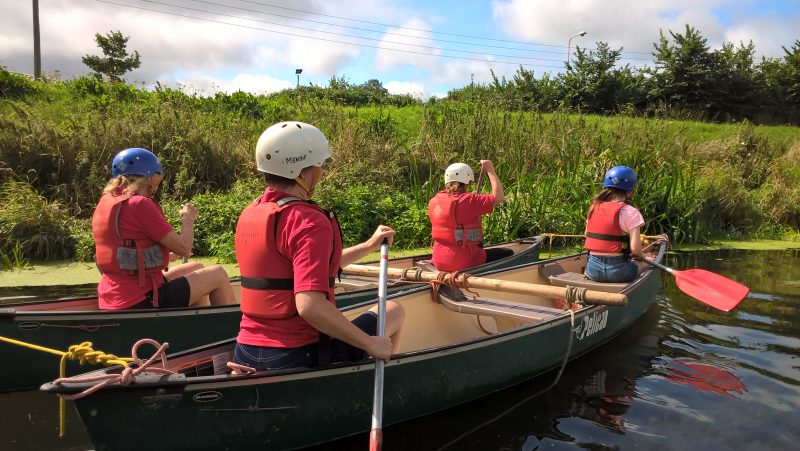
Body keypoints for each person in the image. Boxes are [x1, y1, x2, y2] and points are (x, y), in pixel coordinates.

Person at [232, 121, 404, 371]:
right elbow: (310, 305)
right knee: (394, 309)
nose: (321, 173)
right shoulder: (307, 220)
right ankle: (383, 380)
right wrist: (370, 343)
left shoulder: (252, 213)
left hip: (245, 352)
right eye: (318, 166)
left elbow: (307, 269)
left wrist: (369, 245)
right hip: (299, 355)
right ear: (302, 173)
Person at [91, 147, 235, 310]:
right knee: (218, 274)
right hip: (140, 298)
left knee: (196, 268)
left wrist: (163, 254)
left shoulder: (106, 203)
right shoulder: (139, 204)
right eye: (155, 181)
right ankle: (230, 333)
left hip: (114, 295)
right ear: (146, 178)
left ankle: (194, 328)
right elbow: (184, 248)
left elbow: (124, 248)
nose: (155, 188)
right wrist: (187, 218)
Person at [428, 160, 510, 272]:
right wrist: (490, 170)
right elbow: (498, 196)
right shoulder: (468, 200)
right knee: (507, 253)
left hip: (439, 259)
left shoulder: (434, 200)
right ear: (465, 182)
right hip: (462, 261)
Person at [583, 165, 645, 283]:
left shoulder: (594, 207)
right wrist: (644, 256)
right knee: (645, 264)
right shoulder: (631, 212)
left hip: (592, 270)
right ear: (630, 192)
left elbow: (586, 235)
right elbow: (635, 250)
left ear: (607, 187)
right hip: (619, 273)